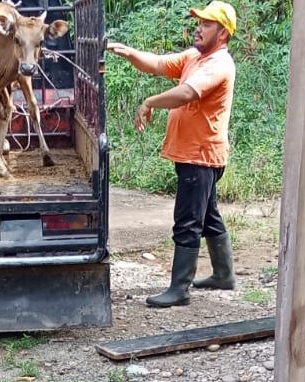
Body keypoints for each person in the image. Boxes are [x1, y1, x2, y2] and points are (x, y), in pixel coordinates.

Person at [107, 0, 237, 308]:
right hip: (195, 154)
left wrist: (149, 102)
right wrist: (129, 53)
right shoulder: (194, 57)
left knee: (188, 221)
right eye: (199, 22)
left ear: (222, 34)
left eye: (206, 24)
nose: (198, 27)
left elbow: (187, 93)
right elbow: (157, 64)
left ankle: (179, 289)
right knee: (208, 216)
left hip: (200, 155)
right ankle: (223, 274)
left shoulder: (218, 64)